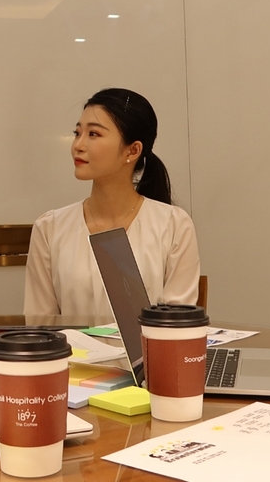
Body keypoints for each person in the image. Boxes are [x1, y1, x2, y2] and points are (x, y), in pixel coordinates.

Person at [24, 88, 200, 317]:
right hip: (69, 343)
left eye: (94, 134)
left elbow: (177, 324)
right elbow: (40, 323)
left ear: (133, 150)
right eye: (77, 133)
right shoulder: (50, 228)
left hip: (152, 343)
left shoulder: (173, 225)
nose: (78, 145)